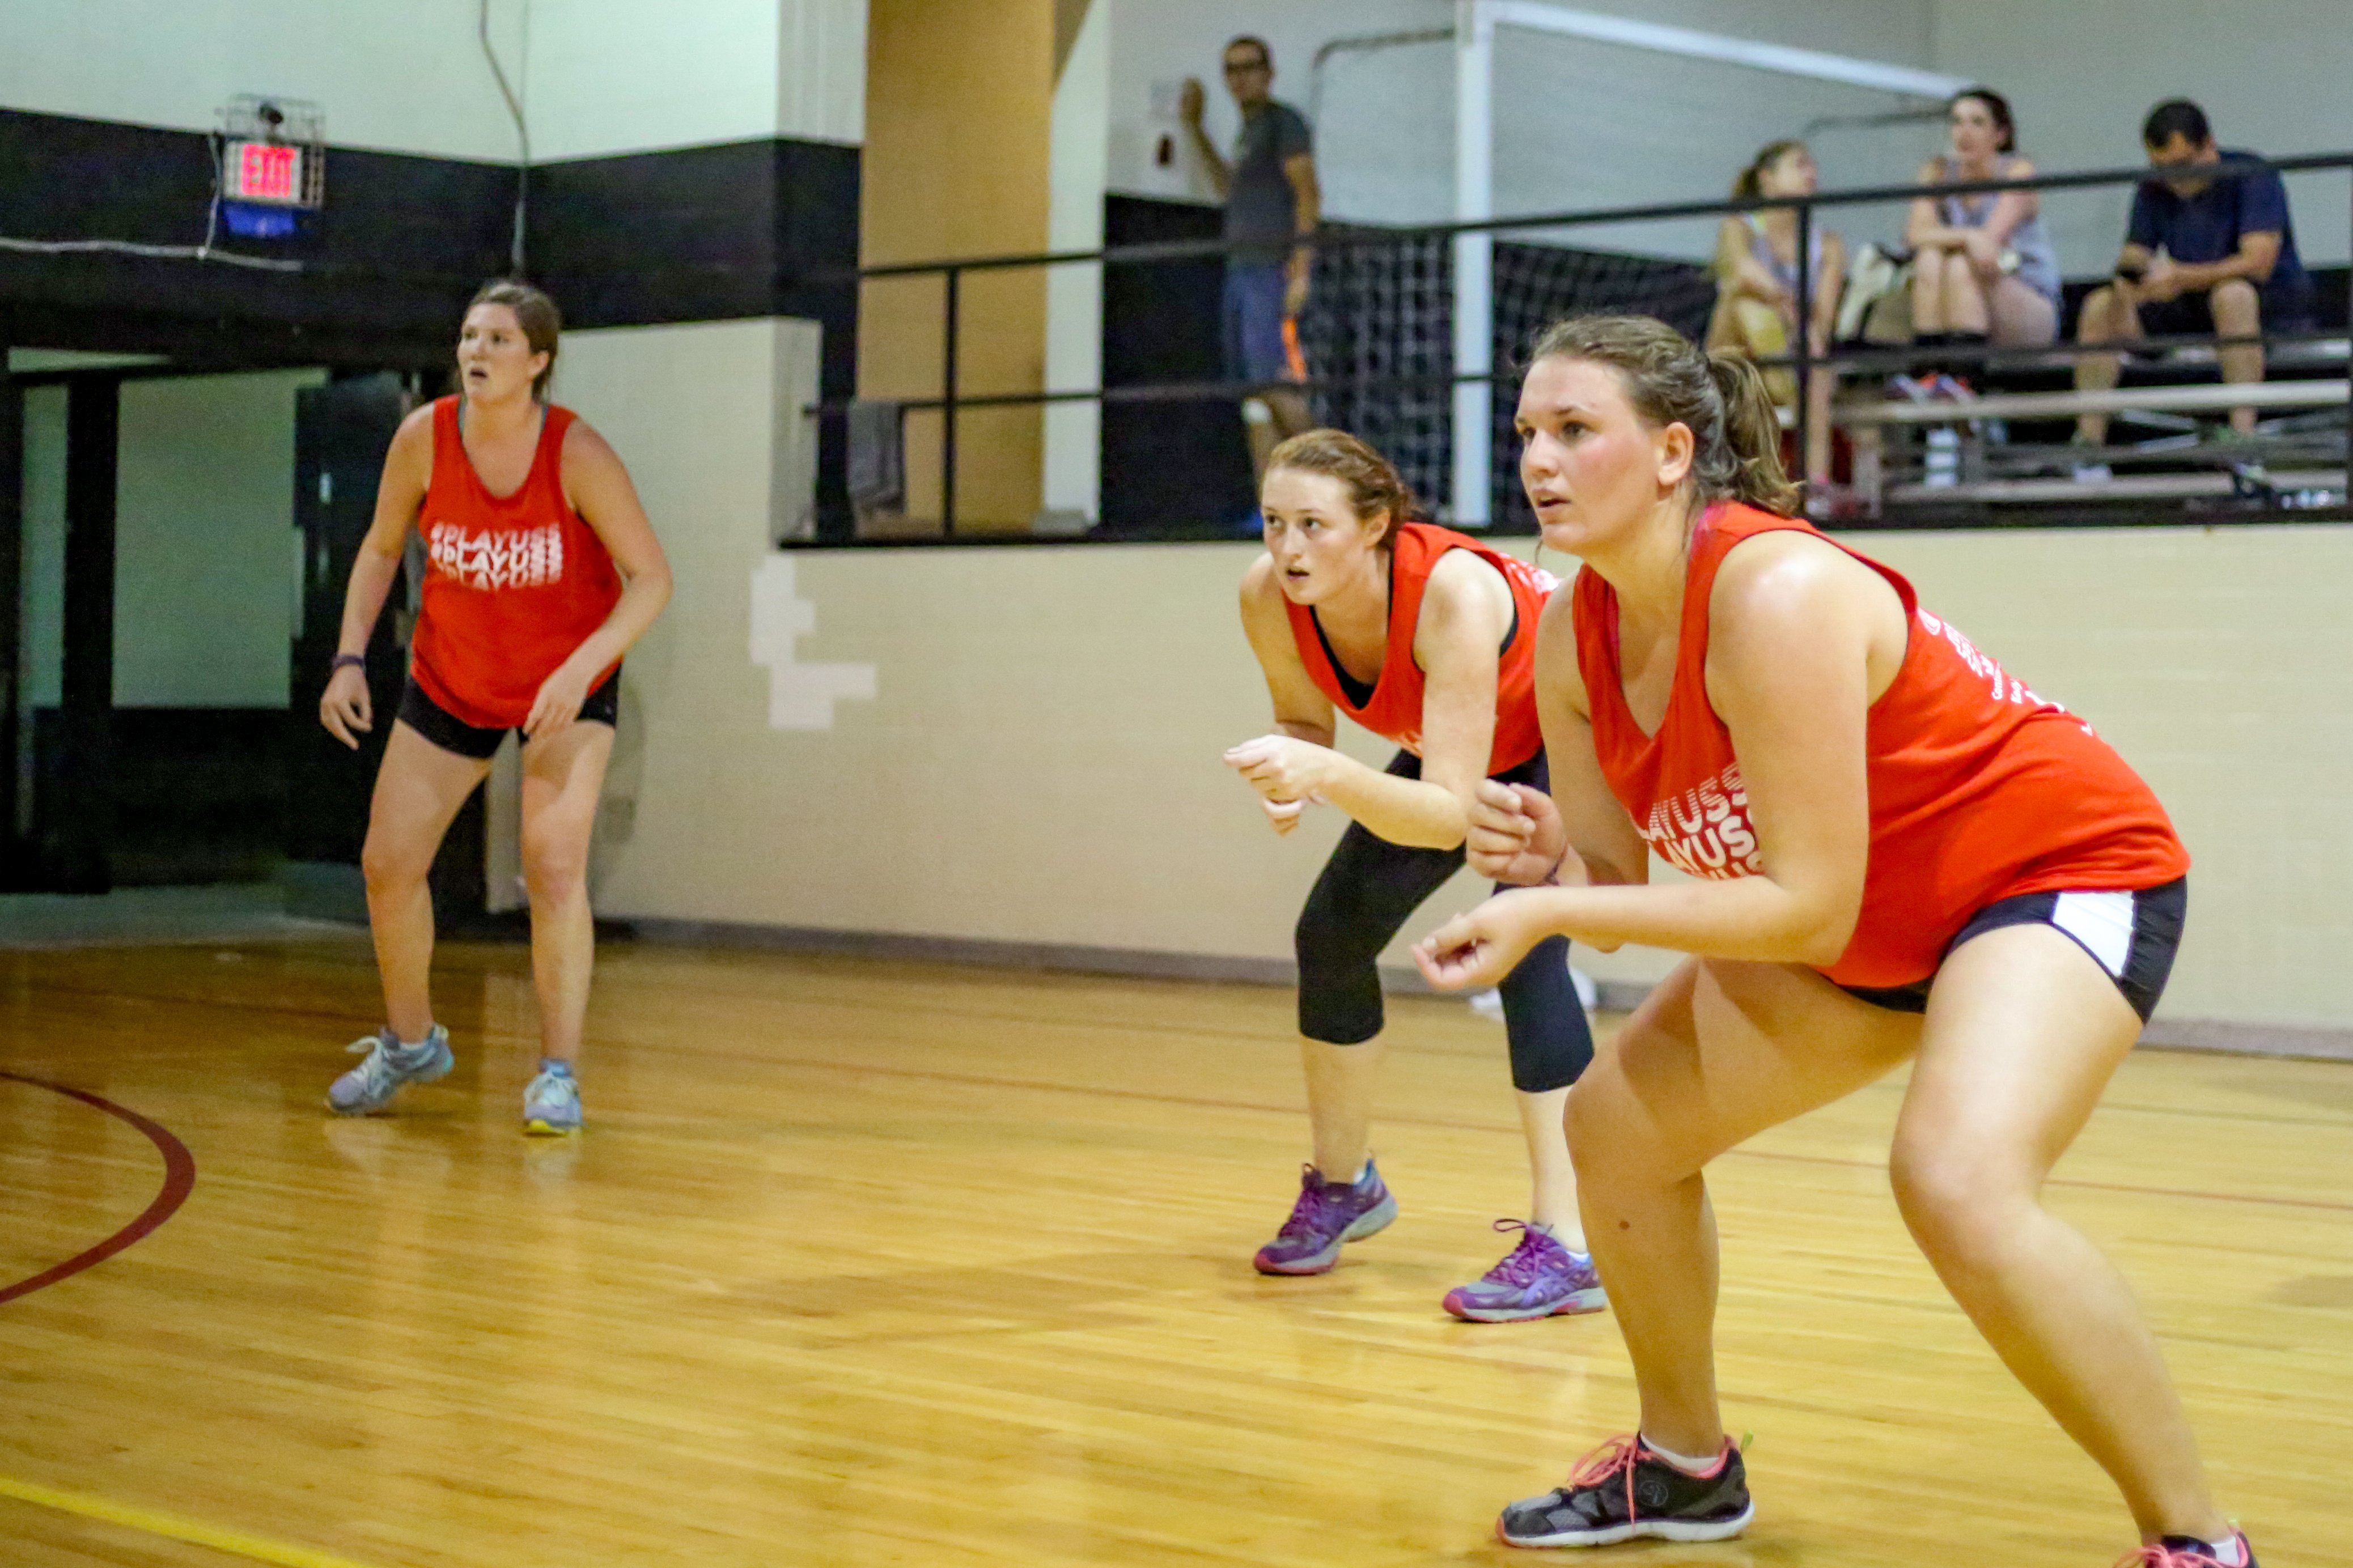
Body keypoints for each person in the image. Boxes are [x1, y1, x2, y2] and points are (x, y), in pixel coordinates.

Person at [1409, 315, 2254, 1567]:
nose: (1537, 458)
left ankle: (2194, 1539)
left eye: (1575, 429)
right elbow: (1614, 871)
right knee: (1616, 1130)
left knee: (1956, 1181)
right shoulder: (1566, 629)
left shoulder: (1775, 590)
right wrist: (1546, 861)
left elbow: (1798, 905)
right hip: (1866, 921)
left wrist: (1551, 909)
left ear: (1669, 452)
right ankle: (1684, 1467)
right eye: (1528, 430)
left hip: (2050, 875)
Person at [1223, 428, 1604, 1323]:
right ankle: (1346, 1182)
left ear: (1376, 526)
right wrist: (1295, 773)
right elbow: (1300, 718)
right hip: (1464, 759)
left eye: (1312, 525)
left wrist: (1327, 777)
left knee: (1528, 951)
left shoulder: (1453, 594)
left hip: (1573, 734)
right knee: (1330, 934)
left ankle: (1573, 1242)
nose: (1286, 548)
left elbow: (1446, 810)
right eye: (1274, 522)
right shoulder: (1265, 595)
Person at [319, 279, 672, 1136]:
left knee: (551, 868)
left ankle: (556, 1072)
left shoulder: (576, 452)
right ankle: (409, 1042)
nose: (477, 352)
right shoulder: (424, 438)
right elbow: (379, 547)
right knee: (386, 863)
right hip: (453, 676)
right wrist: (348, 657)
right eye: (470, 337)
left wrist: (580, 668)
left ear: (538, 361)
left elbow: (651, 578)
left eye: (500, 340)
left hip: (564, 685)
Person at [2074, 100, 2316, 445]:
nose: (2175, 181)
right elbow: (2135, 253)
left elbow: (2257, 262)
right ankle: (2088, 440)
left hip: (2266, 305)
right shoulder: (2154, 186)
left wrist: (2180, 277)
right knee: (2100, 305)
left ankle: (2242, 434)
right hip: (2189, 303)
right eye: (2162, 169)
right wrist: (2130, 283)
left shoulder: (2251, 175)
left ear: (2209, 147)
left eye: (2183, 166)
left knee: (2233, 295)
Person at [1181, 35, 1320, 481]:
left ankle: (1338, 479)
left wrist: (1300, 269)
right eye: (1231, 69)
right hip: (1239, 269)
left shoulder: (1284, 124)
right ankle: (1270, 505)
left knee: (1273, 382)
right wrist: (1194, 128)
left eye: (1249, 67)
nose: (1240, 77)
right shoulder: (1247, 133)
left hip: (1269, 269)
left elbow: (1307, 193)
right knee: (1253, 396)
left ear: (1268, 72)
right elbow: (1229, 189)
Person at [1705, 139, 1845, 487]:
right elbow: (1744, 274)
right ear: (1767, 178)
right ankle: (1711, 466)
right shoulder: (1741, 227)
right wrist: (1788, 308)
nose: (1811, 173)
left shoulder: (1827, 244)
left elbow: (1824, 319)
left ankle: (1817, 483)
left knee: (1817, 369)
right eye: (1799, 165)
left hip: (1791, 352)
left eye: (1812, 166)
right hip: (1737, 352)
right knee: (1744, 303)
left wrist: (1804, 328)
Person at [1906, 88, 2061, 360]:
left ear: (2000, 135)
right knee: (1929, 258)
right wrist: (1968, 236)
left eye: (1977, 123)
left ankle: (1965, 377)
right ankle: (1928, 372)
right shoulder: (1937, 172)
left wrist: (1963, 240)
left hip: (2026, 298)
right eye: (1957, 122)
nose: (1964, 133)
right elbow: (1916, 235)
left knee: (1960, 264)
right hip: (1961, 296)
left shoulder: (2018, 172)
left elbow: (1988, 246)